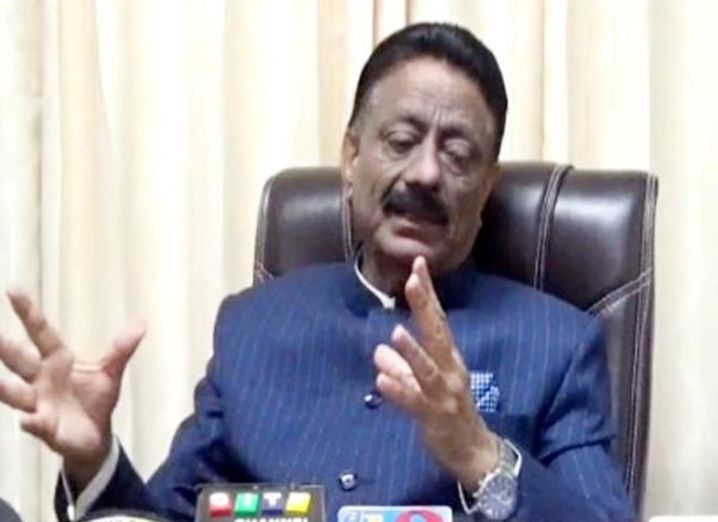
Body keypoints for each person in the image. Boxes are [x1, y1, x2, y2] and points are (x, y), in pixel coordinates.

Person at [0, 23, 634, 522]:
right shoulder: (254, 326)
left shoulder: (556, 344)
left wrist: (480, 454)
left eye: (458, 154)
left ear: (488, 184)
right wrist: (94, 459)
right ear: (351, 157)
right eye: (401, 141)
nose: (425, 173)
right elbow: (166, 515)